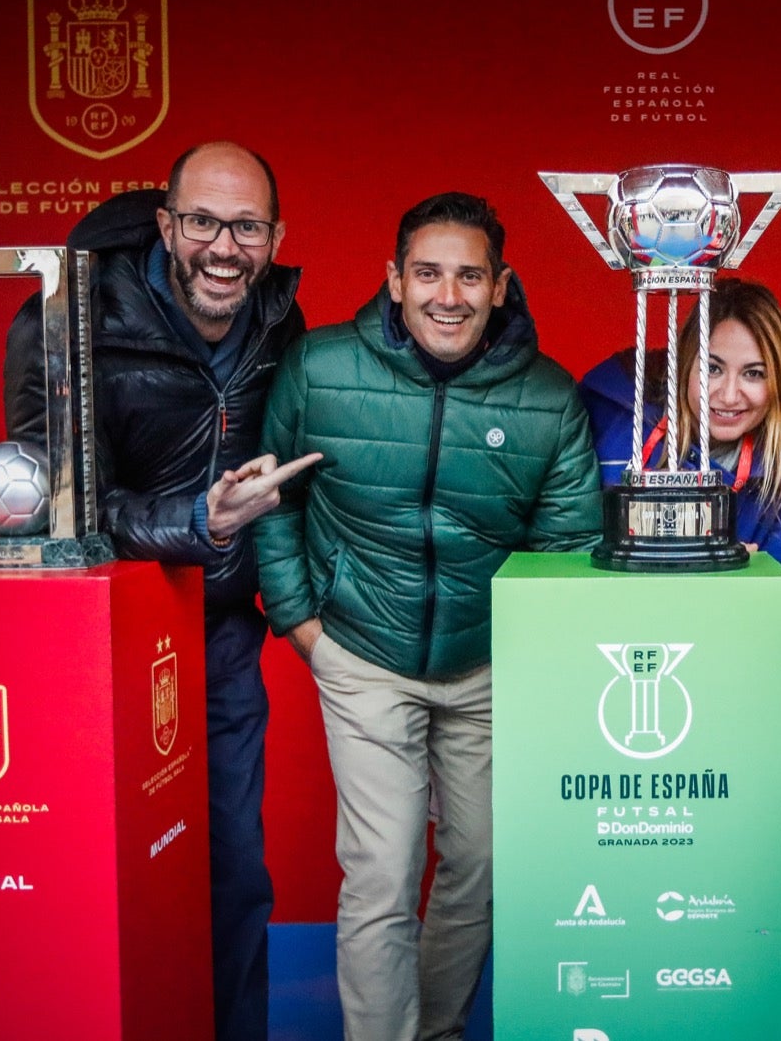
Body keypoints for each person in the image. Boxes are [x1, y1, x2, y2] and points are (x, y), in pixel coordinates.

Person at [252, 191, 600, 1041]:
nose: (450, 295)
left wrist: (524, 668)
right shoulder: (322, 366)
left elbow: (564, 550)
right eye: (429, 273)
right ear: (395, 281)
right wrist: (304, 626)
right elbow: (272, 501)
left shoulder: (549, 399)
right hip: (363, 658)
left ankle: (436, 1030)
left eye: (470, 276)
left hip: (486, 669)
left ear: (501, 286)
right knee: (380, 871)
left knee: (478, 867)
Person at [4, 141, 315, 1041]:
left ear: (275, 234)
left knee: (231, 869)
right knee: (91, 873)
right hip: (94, 642)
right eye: (207, 223)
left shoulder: (279, 321)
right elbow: (47, 506)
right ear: (168, 223)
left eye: (248, 227)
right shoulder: (65, 319)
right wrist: (198, 520)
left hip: (216, 635)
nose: (226, 249)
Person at [579, 277, 781, 574]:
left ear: (780, 384)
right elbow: (566, 543)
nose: (728, 395)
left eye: (753, 374)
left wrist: (739, 573)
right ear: (686, 363)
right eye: (712, 369)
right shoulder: (609, 413)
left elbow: (767, 604)